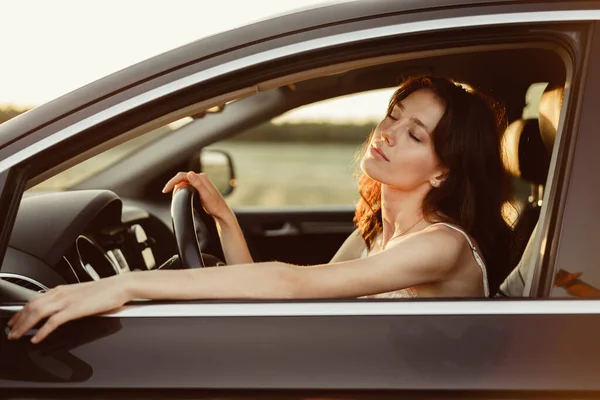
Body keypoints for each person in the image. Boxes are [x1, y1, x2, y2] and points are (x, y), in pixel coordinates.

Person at [7, 76, 514, 343]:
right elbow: (295, 303)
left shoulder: (442, 245)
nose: (387, 133)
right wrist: (224, 219)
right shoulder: (378, 229)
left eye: (414, 134)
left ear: (443, 172)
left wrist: (121, 284)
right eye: (393, 116)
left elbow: (294, 284)